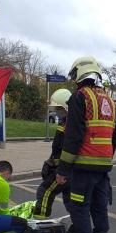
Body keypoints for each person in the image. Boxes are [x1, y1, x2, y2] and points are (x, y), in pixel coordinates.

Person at [56, 56, 116, 233]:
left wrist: (63, 170)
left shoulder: (79, 97)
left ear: (80, 74)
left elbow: (73, 136)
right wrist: (105, 159)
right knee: (99, 209)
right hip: (103, 169)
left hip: (82, 168)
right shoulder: (110, 102)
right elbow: (115, 136)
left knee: (79, 209)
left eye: (74, 76)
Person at [33, 89, 72, 218]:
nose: (56, 111)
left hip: (66, 170)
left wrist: (61, 170)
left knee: (45, 192)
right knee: (70, 199)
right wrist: (50, 162)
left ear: (65, 108)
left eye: (58, 108)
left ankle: (40, 222)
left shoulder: (71, 125)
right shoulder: (65, 122)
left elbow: (68, 150)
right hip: (66, 169)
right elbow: (58, 149)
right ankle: (79, 227)